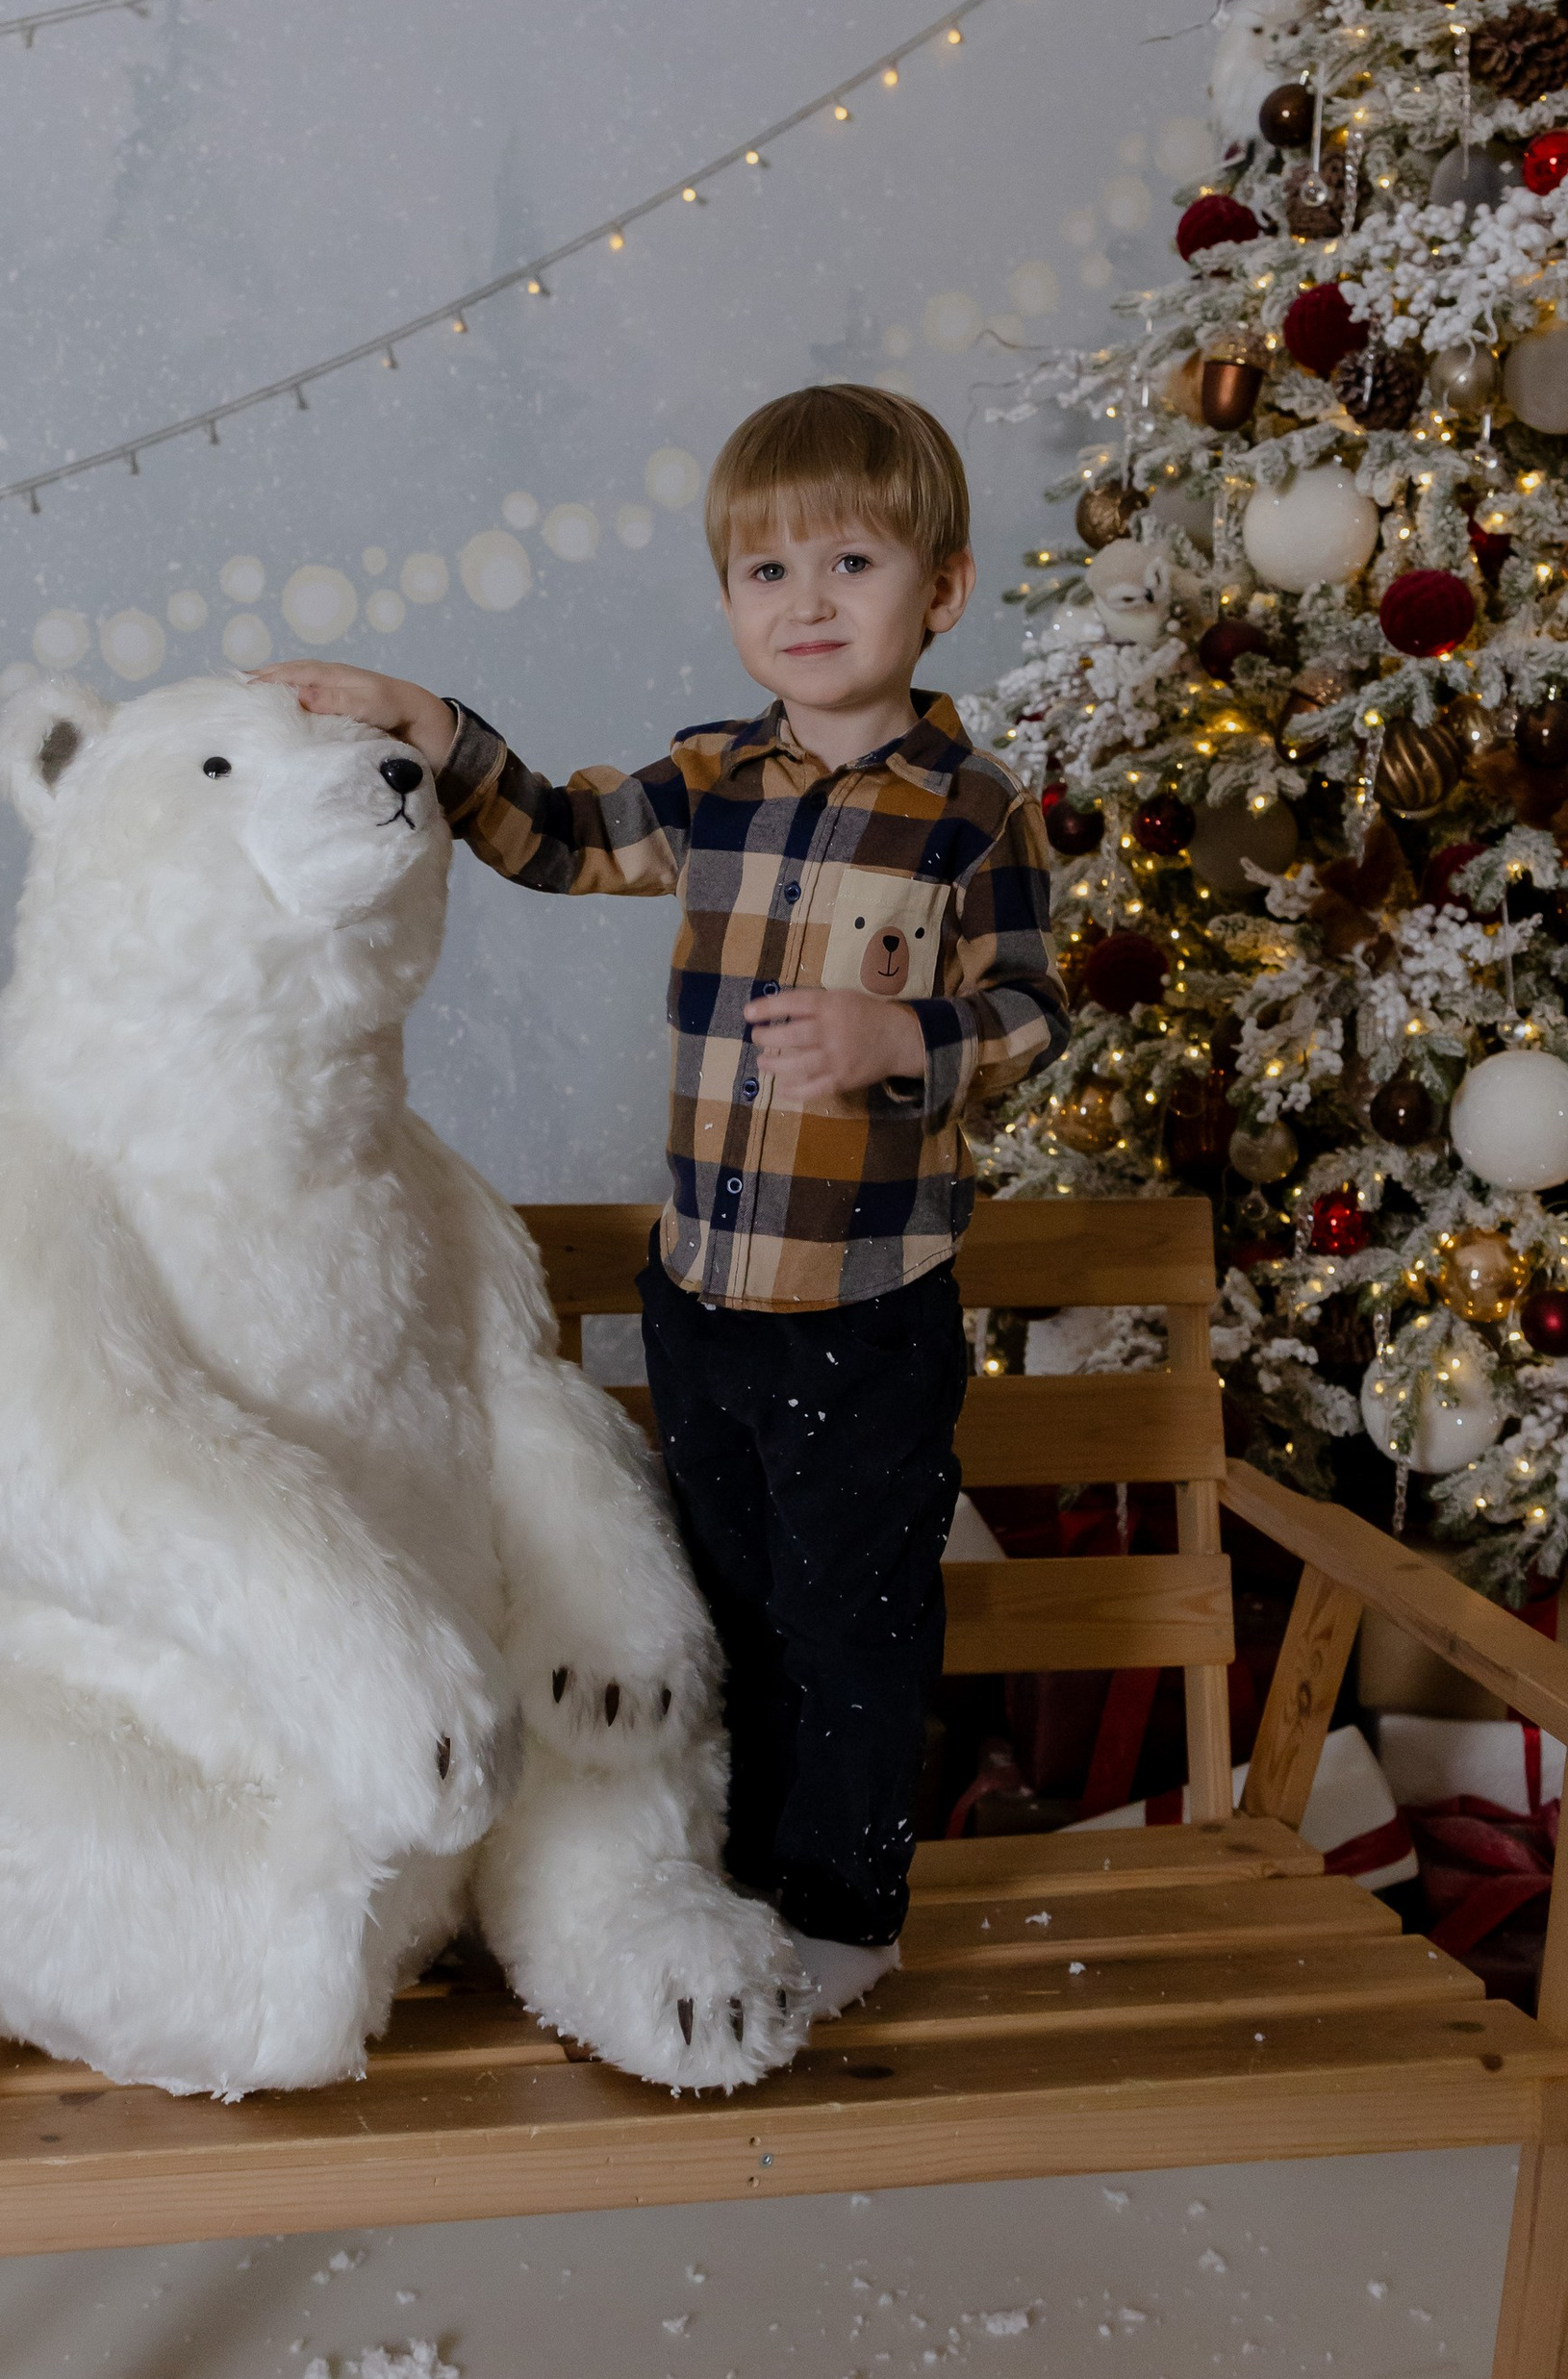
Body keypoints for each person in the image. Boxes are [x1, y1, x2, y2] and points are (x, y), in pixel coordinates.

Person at [264, 381, 1065, 2015]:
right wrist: (434, 723)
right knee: (727, 1600)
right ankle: (714, 1877)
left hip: (866, 1306)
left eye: (851, 563)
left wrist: (894, 1036)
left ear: (944, 590)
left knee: (852, 1622)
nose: (810, 604)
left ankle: (844, 1907)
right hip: (701, 1299)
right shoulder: (714, 780)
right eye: (769, 575)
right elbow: (557, 840)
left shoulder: (974, 813)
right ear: (729, 605)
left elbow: (1036, 1017)